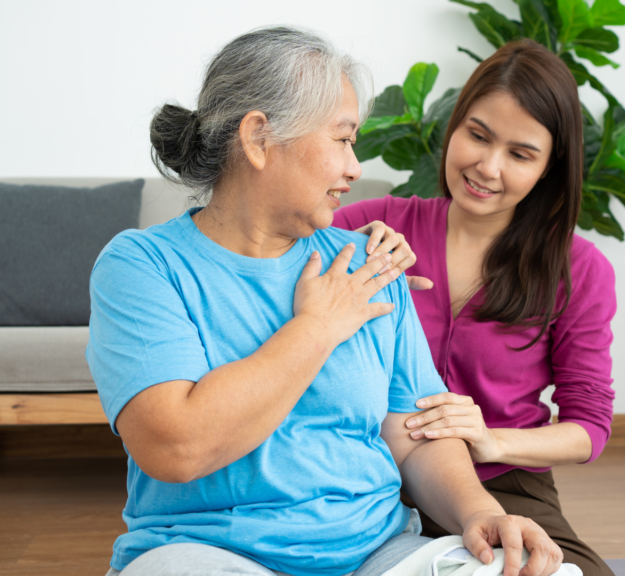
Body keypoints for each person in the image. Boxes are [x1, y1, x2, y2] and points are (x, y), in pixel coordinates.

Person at [86, 28, 564, 576]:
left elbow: (416, 437)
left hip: (378, 555)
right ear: (259, 138)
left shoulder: (368, 260)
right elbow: (176, 448)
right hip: (210, 554)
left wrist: (481, 512)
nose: (354, 168)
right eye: (342, 140)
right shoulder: (143, 266)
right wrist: (316, 327)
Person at [332, 39, 617, 576]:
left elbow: (589, 426)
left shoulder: (578, 269)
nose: (487, 167)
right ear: (455, 125)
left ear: (550, 168)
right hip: (370, 476)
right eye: (477, 136)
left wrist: (489, 439)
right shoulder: (368, 225)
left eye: (520, 154)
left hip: (502, 482)